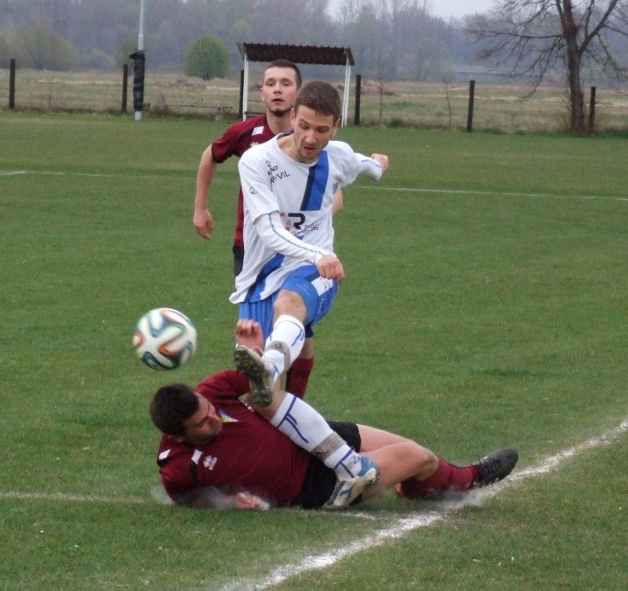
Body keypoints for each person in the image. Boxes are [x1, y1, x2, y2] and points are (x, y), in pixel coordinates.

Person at [149, 320, 519, 511]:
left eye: (211, 411)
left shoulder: (213, 390)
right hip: (315, 486)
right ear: (179, 436)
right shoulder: (177, 467)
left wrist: (256, 350)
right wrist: (227, 502)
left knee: (411, 451)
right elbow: (183, 497)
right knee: (417, 457)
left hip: (317, 436)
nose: (214, 419)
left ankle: (418, 488)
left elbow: (270, 384)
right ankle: (470, 479)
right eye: (202, 424)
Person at [231, 80, 389, 406]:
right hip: (261, 278)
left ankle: (269, 366)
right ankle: (291, 413)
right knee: (256, 403)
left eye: (321, 129)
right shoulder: (256, 161)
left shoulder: (338, 156)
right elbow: (269, 231)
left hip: (316, 273)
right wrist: (319, 254)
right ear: (292, 118)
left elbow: (367, 166)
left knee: (288, 305)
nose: (310, 138)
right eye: (303, 126)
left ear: (335, 127)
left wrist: (379, 164)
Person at [193, 59, 341, 400]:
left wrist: (307, 226)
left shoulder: (318, 144)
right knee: (261, 331)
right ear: (261, 92)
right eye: (270, 83)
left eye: (286, 83)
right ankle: (263, 399)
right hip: (253, 250)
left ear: (298, 93)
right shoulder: (247, 135)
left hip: (300, 255)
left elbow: (335, 197)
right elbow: (209, 156)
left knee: (298, 326)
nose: (277, 89)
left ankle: (293, 403)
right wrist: (200, 208)